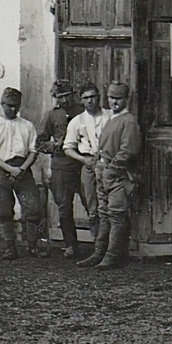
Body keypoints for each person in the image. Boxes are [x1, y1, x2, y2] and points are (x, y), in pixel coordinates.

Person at [79, 80, 143, 270]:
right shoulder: (112, 119)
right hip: (104, 173)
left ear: (126, 99)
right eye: (111, 98)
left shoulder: (128, 121)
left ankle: (113, 256)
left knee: (116, 215)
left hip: (119, 176)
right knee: (104, 214)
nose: (114, 102)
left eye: (118, 98)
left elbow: (127, 151)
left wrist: (110, 170)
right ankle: (99, 252)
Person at [0, 87, 45, 259]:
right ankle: (9, 248)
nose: (13, 109)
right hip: (2, 170)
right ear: (2, 104)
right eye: (9, 105)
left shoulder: (27, 126)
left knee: (33, 208)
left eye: (16, 106)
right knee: (4, 212)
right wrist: (10, 169)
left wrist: (22, 169)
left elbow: (34, 151)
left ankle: (33, 246)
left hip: (23, 170)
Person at [37, 79, 84, 259]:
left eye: (67, 96)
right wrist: (54, 145)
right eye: (60, 97)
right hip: (61, 165)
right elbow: (40, 143)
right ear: (55, 97)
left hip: (82, 163)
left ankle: (101, 244)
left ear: (73, 95)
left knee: (92, 204)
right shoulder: (51, 116)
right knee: (64, 207)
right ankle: (71, 244)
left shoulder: (82, 113)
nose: (64, 101)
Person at [63, 83, 108, 235]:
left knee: (110, 206)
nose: (90, 101)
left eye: (92, 97)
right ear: (81, 100)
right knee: (92, 206)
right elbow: (67, 148)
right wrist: (83, 160)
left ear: (98, 97)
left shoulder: (110, 117)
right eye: (86, 98)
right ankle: (98, 244)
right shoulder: (77, 121)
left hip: (108, 164)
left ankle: (112, 246)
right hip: (88, 164)